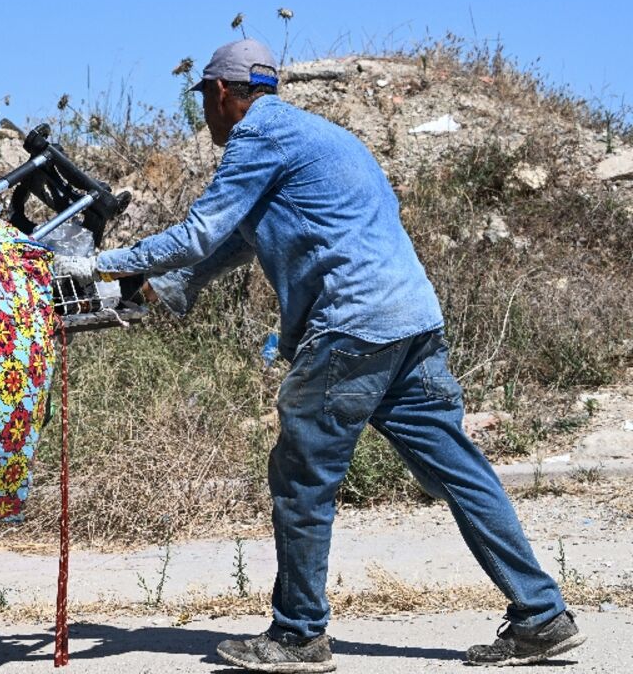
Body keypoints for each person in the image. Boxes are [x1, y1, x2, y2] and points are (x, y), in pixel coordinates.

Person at [58, 39, 585, 672]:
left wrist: (97, 264)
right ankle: (542, 617)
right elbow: (233, 242)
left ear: (222, 94)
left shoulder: (258, 136)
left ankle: (299, 635)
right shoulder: (312, 135)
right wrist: (167, 287)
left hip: (352, 329)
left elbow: (200, 230)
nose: (206, 113)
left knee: (303, 480)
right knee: (458, 470)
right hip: (411, 323)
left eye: (205, 99)